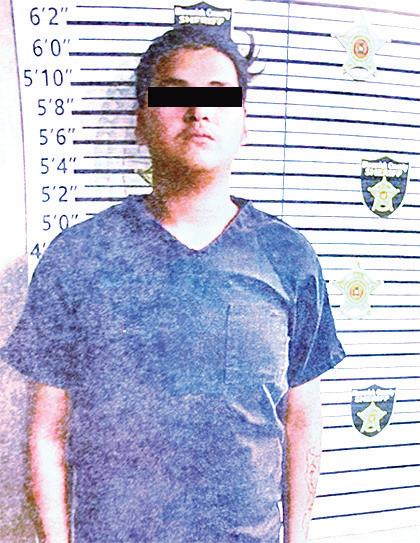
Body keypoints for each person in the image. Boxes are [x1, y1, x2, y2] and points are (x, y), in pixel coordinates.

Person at [2, 23, 345, 543]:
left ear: (244, 124)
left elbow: (301, 421)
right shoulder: (78, 256)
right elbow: (47, 432)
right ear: (140, 121)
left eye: (219, 96)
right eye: (174, 93)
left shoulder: (288, 257)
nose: (198, 111)